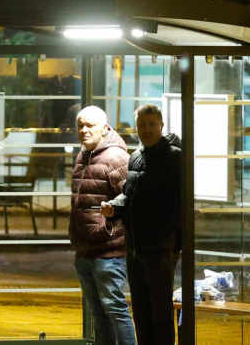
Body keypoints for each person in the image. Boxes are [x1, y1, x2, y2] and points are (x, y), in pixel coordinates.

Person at [103, 104, 182, 345]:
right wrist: (113, 207)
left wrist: (166, 236)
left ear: (161, 126)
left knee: (160, 311)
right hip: (136, 246)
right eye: (141, 125)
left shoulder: (174, 157)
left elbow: (178, 202)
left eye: (151, 124)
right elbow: (129, 193)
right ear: (136, 127)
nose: (146, 130)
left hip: (159, 247)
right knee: (141, 310)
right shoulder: (136, 156)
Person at [70, 106, 135, 345]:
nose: (84, 131)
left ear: (105, 128)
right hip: (86, 250)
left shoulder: (116, 157)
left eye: (90, 126)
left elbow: (131, 199)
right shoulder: (83, 154)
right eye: (80, 126)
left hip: (109, 251)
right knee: (99, 313)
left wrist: (111, 217)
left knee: (115, 311)